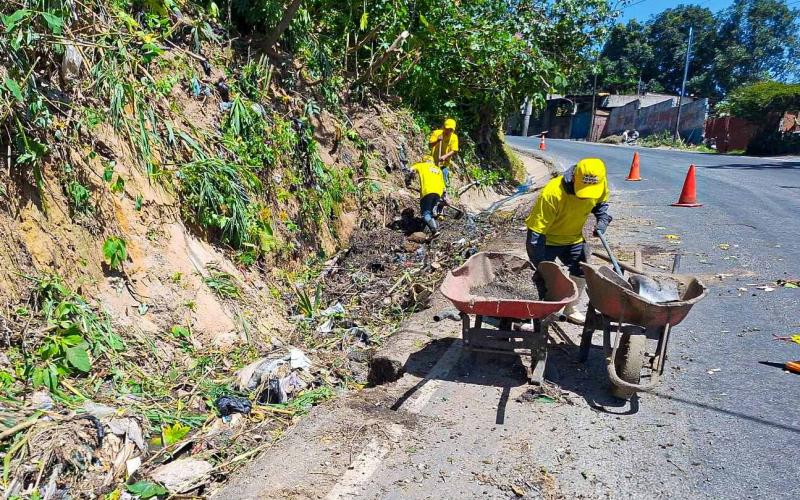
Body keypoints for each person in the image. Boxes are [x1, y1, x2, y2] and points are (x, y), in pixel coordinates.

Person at [524, 158, 612, 324]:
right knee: (542, 277)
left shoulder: (600, 184)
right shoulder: (553, 193)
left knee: (582, 269)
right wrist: (540, 264)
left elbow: (600, 205)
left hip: (574, 238)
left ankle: (571, 308)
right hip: (547, 240)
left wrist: (603, 219)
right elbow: (535, 234)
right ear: (574, 178)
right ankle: (537, 312)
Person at [409, 155, 445, 237]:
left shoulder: (421, 165)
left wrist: (409, 179)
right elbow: (443, 186)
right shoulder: (438, 169)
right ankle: (425, 230)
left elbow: (411, 170)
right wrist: (443, 197)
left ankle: (434, 230)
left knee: (425, 213)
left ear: (424, 160)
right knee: (430, 211)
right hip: (438, 193)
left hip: (427, 191)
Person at [428, 118, 459, 186]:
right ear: (443, 127)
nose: (448, 131)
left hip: (444, 164)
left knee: (443, 182)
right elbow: (430, 145)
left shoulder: (454, 137)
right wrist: (437, 141)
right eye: (447, 129)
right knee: (431, 180)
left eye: (451, 130)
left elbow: (454, 150)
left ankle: (443, 194)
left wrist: (445, 156)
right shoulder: (437, 133)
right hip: (433, 162)